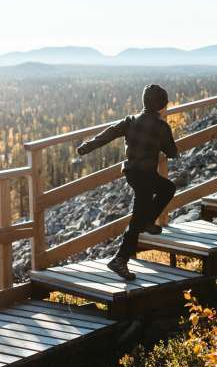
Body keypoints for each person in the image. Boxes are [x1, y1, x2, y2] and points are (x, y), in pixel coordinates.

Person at [76, 84, 178, 280]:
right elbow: (172, 152)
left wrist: (87, 147)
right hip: (146, 175)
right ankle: (120, 259)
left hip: (132, 173)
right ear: (162, 106)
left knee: (166, 188)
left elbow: (109, 133)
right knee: (139, 216)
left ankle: (147, 222)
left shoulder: (130, 121)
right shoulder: (161, 127)